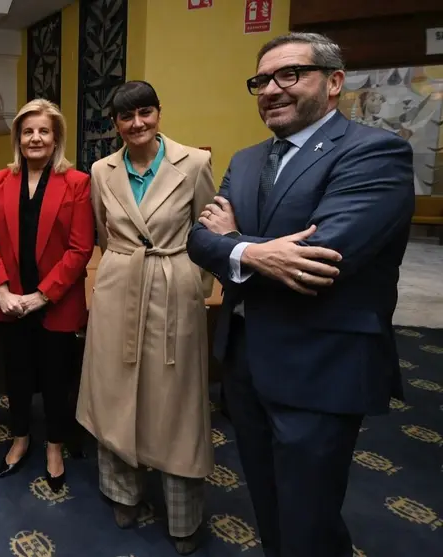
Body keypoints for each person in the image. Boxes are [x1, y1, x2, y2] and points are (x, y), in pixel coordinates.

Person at [187, 33, 414, 557]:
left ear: (333, 82)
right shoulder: (245, 161)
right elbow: (199, 239)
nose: (271, 89)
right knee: (267, 503)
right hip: (245, 362)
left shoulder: (375, 152)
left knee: (309, 517)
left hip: (320, 364)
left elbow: (325, 257)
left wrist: (235, 244)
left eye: (289, 74)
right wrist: (257, 253)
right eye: (262, 80)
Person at [75, 81, 215, 555]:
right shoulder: (100, 170)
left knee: (177, 400)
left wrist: (195, 289)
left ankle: (183, 515)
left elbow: (209, 234)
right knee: (115, 391)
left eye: (146, 113)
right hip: (119, 287)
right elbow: (101, 231)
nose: (137, 124)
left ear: (158, 113)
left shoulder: (193, 162)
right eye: (126, 117)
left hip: (174, 286)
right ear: (114, 123)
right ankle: (123, 493)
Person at [0, 99, 94, 493]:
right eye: (28, 131)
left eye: (44, 130)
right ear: (18, 138)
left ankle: (55, 446)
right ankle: (21, 437)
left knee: (56, 378)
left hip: (55, 303)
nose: (35, 138)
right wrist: (2, 289)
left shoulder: (76, 182)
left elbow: (80, 249)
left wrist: (42, 296)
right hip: (9, 302)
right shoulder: (0, 180)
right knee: (18, 376)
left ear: (56, 137)